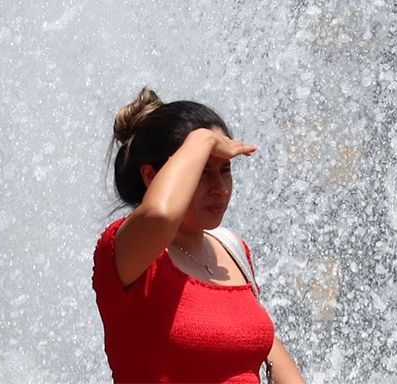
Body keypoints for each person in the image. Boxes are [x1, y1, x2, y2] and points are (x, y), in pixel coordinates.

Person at [91, 89, 305, 384]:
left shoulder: (232, 249)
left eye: (225, 169)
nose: (219, 187)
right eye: (202, 171)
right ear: (152, 177)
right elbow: (161, 214)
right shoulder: (127, 251)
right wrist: (202, 139)